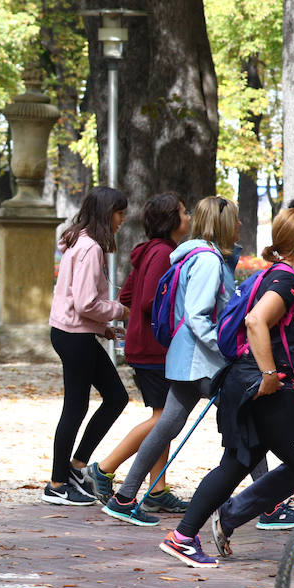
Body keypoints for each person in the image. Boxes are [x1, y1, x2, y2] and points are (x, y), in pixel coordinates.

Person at [160, 207, 294, 567]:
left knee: (235, 464)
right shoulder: (287, 280)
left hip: (249, 387)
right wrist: (267, 375)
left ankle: (182, 537)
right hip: (267, 390)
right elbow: (255, 321)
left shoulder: (282, 275)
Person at [102, 197, 255, 525]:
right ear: (223, 223)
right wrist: (227, 347)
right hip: (201, 361)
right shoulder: (207, 261)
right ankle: (267, 507)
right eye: (236, 220)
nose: (240, 225)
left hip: (186, 358)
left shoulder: (198, 256)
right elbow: (199, 315)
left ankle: (125, 497)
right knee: (248, 417)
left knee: (167, 425)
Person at [86, 193, 190, 508]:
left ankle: (156, 491)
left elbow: (129, 294)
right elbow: (146, 301)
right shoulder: (162, 254)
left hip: (147, 347)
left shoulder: (152, 251)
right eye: (184, 212)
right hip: (153, 350)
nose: (189, 217)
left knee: (165, 418)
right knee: (164, 420)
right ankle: (103, 470)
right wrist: (180, 317)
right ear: (172, 219)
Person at [44, 186, 130, 506]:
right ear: (107, 214)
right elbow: (84, 303)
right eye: (119, 213)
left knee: (115, 397)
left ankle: (75, 468)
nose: (122, 219)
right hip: (74, 335)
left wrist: (104, 329)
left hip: (73, 333)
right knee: (77, 407)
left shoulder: (79, 241)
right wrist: (120, 311)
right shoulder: (90, 247)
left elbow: (77, 302)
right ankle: (57, 482)